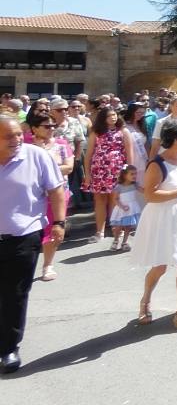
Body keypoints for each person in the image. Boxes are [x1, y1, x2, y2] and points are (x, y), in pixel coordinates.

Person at [0, 115, 66, 373]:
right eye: (9, 136)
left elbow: (56, 190)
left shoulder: (37, 156)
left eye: (18, 134)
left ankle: (8, 348)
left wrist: (59, 222)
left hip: (23, 238)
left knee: (14, 295)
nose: (16, 140)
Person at [132, 119, 177, 330]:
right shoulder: (157, 163)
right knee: (160, 266)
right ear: (174, 139)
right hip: (163, 218)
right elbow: (150, 195)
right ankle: (145, 300)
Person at [26, 114, 73, 282]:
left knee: (53, 228)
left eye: (53, 125)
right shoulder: (27, 146)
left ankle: (48, 264)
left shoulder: (61, 144)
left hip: (58, 193)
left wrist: (44, 169)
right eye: (47, 126)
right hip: (32, 194)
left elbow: (69, 167)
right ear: (34, 128)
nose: (52, 128)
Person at [83, 106, 134, 243]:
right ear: (103, 118)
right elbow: (88, 155)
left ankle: (116, 229)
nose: (113, 117)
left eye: (114, 115)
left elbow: (129, 154)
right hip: (99, 170)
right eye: (109, 116)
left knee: (115, 200)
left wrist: (130, 173)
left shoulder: (123, 131)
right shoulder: (96, 132)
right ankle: (99, 231)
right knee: (99, 200)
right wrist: (87, 174)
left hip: (117, 171)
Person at [110, 165, 142, 251]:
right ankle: (116, 241)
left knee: (128, 226)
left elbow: (144, 190)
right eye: (132, 174)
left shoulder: (135, 185)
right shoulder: (119, 187)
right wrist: (122, 206)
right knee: (118, 227)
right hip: (122, 209)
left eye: (135, 174)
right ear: (124, 175)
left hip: (132, 208)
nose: (134, 176)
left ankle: (124, 242)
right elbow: (115, 199)